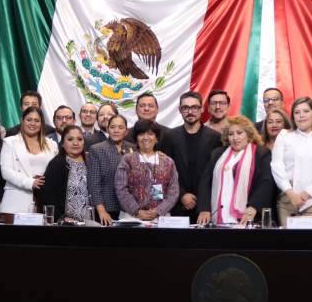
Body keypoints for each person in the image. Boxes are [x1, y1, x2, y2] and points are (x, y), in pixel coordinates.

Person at [271, 97, 312, 226]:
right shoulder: (284, 135)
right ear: (293, 117)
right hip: (288, 200)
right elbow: (276, 166)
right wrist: (290, 193)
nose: (301, 115)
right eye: (297, 112)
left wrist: (307, 194)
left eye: (306, 111)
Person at [197, 116, 273, 226]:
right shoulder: (217, 154)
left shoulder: (261, 153)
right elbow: (205, 182)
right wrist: (204, 208)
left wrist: (253, 207)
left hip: (247, 216)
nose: (235, 137)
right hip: (218, 215)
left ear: (248, 135)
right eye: (231, 134)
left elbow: (266, 183)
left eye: (239, 133)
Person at [166, 91, 221, 221]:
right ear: (180, 110)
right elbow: (166, 171)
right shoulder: (169, 137)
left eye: (195, 107)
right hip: (177, 205)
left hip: (207, 206)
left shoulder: (215, 138)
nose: (190, 111)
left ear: (202, 109)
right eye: (185, 107)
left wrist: (204, 204)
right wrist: (182, 194)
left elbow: (215, 174)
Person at [0, 105, 57, 218]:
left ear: (41, 123)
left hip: (44, 201)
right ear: (22, 120)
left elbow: (55, 172)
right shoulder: (10, 142)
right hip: (16, 201)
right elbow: (6, 171)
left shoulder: (52, 144)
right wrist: (31, 182)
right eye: (29, 119)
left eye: (36, 120)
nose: (32, 123)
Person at [115, 120, 179, 221]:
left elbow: (173, 192)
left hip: (160, 218)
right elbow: (121, 188)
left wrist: (158, 211)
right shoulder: (127, 160)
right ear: (136, 138)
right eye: (141, 134)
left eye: (150, 134)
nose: (146, 137)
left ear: (156, 138)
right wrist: (137, 211)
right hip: (132, 218)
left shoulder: (168, 162)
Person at [87, 114, 134, 225]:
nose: (116, 130)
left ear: (126, 131)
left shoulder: (133, 148)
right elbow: (94, 183)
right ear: (107, 129)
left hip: (130, 209)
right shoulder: (97, 149)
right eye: (112, 127)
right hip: (107, 209)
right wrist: (101, 210)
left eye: (120, 127)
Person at [42, 125, 90, 223]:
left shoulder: (90, 161)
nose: (75, 143)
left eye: (79, 139)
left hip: (90, 222)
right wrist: (61, 218)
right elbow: (49, 196)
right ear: (63, 143)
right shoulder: (56, 163)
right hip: (66, 223)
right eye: (70, 139)